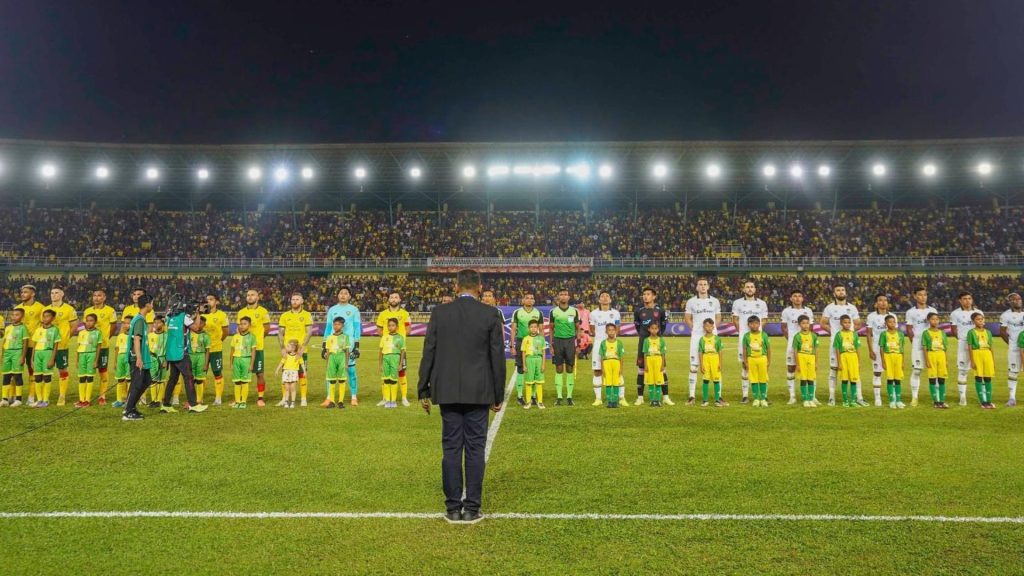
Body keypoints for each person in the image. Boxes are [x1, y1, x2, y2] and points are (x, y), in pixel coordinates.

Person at [418, 269, 505, 525]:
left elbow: (429, 352)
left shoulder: (439, 313)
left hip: (447, 391)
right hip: (479, 391)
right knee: (475, 449)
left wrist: (424, 388)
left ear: (456, 287)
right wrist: (497, 394)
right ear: (479, 287)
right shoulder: (490, 314)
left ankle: (453, 508)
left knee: (452, 447)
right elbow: (497, 358)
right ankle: (472, 508)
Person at [161, 299, 207, 414]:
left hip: (171, 352)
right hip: (182, 352)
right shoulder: (183, 317)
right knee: (188, 377)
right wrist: (198, 314)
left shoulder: (169, 317)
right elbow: (196, 328)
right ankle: (194, 404)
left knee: (173, 379)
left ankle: (166, 405)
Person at [821, 285, 862, 406]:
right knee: (834, 368)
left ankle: (858, 397)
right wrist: (834, 333)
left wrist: (850, 335)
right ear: (834, 293)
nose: (841, 292)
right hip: (836, 344)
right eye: (838, 290)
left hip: (851, 345)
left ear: (846, 292)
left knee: (854, 370)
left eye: (842, 290)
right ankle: (831, 397)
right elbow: (823, 323)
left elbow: (858, 324)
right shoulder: (829, 307)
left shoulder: (852, 308)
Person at [685, 278, 722, 406]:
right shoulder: (691, 301)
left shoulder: (715, 301)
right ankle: (691, 396)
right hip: (696, 336)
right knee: (694, 366)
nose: (702, 286)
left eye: (705, 284)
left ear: (708, 286)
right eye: (700, 284)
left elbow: (718, 317)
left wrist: (711, 330)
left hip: (712, 337)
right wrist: (695, 329)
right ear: (696, 287)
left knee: (716, 366)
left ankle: (719, 396)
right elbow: (688, 318)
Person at [323, 287, 361, 407]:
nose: (343, 295)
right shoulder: (332, 310)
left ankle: (354, 397)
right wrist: (324, 345)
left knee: (351, 370)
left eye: (346, 293)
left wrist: (357, 345)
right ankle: (329, 398)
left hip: (348, 344)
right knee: (331, 371)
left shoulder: (354, 310)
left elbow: (357, 328)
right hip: (333, 344)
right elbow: (328, 328)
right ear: (337, 295)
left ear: (349, 296)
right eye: (341, 293)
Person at [731, 280, 768, 404]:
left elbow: (764, 319)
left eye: (752, 287)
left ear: (755, 289)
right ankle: (745, 395)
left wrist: (757, 329)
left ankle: (763, 395)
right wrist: (743, 332)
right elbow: (735, 319)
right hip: (744, 339)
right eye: (747, 287)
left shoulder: (762, 304)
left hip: (759, 338)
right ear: (744, 289)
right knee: (745, 365)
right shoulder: (737, 303)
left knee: (762, 365)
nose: (750, 289)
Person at [375, 292, 412, 407]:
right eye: (391, 297)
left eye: (396, 297)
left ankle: (404, 398)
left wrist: (397, 340)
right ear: (388, 300)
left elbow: (408, 330)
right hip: (386, 348)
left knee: (401, 371)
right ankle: (386, 398)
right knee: (385, 373)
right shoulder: (382, 314)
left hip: (399, 348)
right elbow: (379, 330)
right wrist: (388, 340)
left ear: (400, 299)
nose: (393, 299)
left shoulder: (405, 314)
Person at [634, 287, 670, 405]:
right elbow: (638, 327)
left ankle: (665, 397)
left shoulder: (660, 311)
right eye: (644, 294)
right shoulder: (639, 311)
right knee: (641, 370)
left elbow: (663, 326)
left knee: (662, 369)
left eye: (648, 294)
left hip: (657, 343)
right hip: (643, 342)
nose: (645, 296)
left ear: (654, 296)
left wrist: (657, 336)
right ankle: (640, 397)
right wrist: (644, 336)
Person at [122, 294, 155, 421]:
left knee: (147, 381)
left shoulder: (140, 319)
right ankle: (128, 411)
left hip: (141, 357)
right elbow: (137, 339)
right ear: (147, 304)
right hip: (137, 358)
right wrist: (139, 358)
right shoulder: (140, 320)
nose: (152, 306)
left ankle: (132, 407)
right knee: (136, 383)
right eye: (151, 303)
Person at [236, 289, 271, 407]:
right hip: (243, 349)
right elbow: (239, 329)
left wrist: (258, 339)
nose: (250, 297)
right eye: (248, 295)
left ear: (258, 297)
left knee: (259, 374)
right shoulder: (241, 312)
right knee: (240, 373)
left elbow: (267, 328)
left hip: (258, 347)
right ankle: (239, 398)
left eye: (252, 295)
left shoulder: (263, 311)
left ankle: (260, 397)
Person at [278, 292, 314, 407]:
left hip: (301, 351)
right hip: (288, 351)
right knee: (285, 374)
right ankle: (284, 398)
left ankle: (303, 398)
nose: (295, 301)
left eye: (297, 299)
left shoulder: (307, 315)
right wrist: (283, 348)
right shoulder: (284, 316)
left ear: (302, 301)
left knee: (302, 374)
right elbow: (280, 333)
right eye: (293, 299)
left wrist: (302, 348)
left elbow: (309, 332)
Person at [44, 285, 78, 407]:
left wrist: (66, 337)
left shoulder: (69, 309)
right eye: (52, 293)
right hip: (47, 345)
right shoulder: (45, 309)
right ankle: (44, 397)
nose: (54, 295)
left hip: (62, 345)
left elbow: (74, 325)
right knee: (46, 370)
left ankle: (62, 395)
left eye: (57, 292)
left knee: (62, 369)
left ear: (62, 294)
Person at [904, 287, 938, 407]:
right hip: (918, 343)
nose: (923, 297)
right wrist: (915, 342)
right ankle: (914, 397)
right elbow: (909, 329)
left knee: (935, 371)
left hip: (933, 344)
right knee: (917, 370)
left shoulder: (933, 310)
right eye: (920, 295)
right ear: (915, 296)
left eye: (925, 295)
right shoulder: (910, 312)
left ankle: (937, 398)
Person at [83, 289, 117, 406]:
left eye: (99, 295)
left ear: (104, 298)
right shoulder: (87, 311)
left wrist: (106, 338)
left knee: (103, 370)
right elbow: (86, 327)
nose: (96, 297)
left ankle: (102, 395)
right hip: (89, 347)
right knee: (87, 372)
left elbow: (113, 326)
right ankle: (85, 396)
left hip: (103, 346)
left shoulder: (110, 310)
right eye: (94, 295)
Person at [590, 290, 623, 406]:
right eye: (602, 296)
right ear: (599, 300)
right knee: (597, 370)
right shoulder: (593, 313)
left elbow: (618, 328)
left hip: (612, 344)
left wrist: (612, 340)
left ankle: (621, 398)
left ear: (610, 300)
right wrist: (601, 338)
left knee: (617, 370)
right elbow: (592, 329)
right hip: (599, 344)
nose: (604, 298)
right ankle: (598, 398)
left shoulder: (616, 313)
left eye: (607, 296)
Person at [780, 289, 813, 405]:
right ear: (791, 298)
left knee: (809, 369)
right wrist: (790, 340)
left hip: (807, 344)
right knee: (791, 368)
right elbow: (783, 327)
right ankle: (792, 396)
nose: (797, 298)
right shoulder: (786, 311)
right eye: (795, 296)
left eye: (799, 296)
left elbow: (811, 328)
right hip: (792, 345)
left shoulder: (808, 311)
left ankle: (811, 396)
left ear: (802, 298)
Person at [548, 289, 581, 406]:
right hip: (558, 341)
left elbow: (578, 328)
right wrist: (551, 345)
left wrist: (579, 343)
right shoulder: (553, 312)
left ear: (569, 297)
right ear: (558, 297)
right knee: (558, 368)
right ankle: (559, 396)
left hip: (570, 341)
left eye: (565, 294)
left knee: (570, 368)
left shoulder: (574, 311)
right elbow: (551, 329)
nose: (563, 296)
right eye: (561, 294)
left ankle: (569, 396)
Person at [949, 292, 982, 406]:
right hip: (963, 344)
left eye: (969, 298)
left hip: (978, 346)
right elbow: (953, 330)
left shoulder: (978, 313)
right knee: (963, 370)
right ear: (960, 300)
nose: (967, 301)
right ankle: (962, 397)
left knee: (980, 371)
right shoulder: (955, 314)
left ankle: (982, 397)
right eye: (964, 299)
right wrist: (962, 339)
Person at [510, 293, 543, 406]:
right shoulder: (517, 312)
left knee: (534, 368)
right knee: (520, 368)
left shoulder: (538, 313)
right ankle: (520, 395)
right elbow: (513, 330)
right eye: (527, 298)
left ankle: (533, 396)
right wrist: (512, 345)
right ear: (523, 300)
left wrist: (541, 343)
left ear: (534, 301)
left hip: (535, 343)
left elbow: (542, 330)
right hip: (521, 342)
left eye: (532, 298)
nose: (529, 300)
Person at [14, 284, 45, 405]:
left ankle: (32, 396)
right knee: (15, 370)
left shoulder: (40, 308)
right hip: (19, 345)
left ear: (33, 294)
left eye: (25, 292)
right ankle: (14, 396)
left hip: (34, 344)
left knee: (32, 370)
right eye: (22, 292)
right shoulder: (17, 307)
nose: (22, 294)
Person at [865, 294, 894, 407]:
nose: (883, 302)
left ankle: (893, 397)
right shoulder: (871, 316)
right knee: (877, 372)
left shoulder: (893, 316)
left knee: (892, 373)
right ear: (876, 304)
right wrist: (871, 350)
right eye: (880, 300)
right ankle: (878, 398)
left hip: (891, 348)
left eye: (885, 300)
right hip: (877, 348)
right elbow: (868, 334)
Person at [202, 293, 230, 406]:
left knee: (217, 372)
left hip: (216, 349)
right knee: (201, 373)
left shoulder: (222, 315)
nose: (208, 301)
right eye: (207, 299)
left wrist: (218, 341)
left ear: (216, 302)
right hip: (202, 349)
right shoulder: (200, 314)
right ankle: (200, 397)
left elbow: (226, 332)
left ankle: (218, 398)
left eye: (211, 299)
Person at [30, 309, 60, 408]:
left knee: (47, 377)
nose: (45, 318)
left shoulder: (55, 330)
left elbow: (56, 346)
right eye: (44, 316)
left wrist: (52, 359)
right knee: (37, 377)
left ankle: (46, 400)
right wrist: (32, 359)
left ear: (53, 318)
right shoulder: (38, 330)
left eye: (48, 316)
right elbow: (34, 345)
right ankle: (39, 400)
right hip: (37, 354)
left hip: (48, 353)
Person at [0, 308, 29, 407]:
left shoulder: (23, 328)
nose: (14, 317)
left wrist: (22, 357)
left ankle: (18, 399)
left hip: (17, 352)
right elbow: (4, 342)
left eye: (17, 315)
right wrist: (2, 355)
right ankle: (4, 399)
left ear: (22, 317)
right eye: (13, 315)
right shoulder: (8, 328)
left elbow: (25, 343)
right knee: (6, 375)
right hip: (7, 353)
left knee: (17, 375)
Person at [998, 292, 1023, 407]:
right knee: (1013, 372)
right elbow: (1002, 332)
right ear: (1010, 302)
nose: (1017, 301)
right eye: (1014, 299)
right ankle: (1012, 398)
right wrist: (1012, 343)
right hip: (1014, 348)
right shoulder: (1005, 315)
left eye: (1018, 299)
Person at [967, 312, 996, 410]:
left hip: (987, 354)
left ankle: (989, 400)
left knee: (988, 378)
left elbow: (991, 347)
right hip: (977, 354)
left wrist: (993, 360)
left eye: (982, 319)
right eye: (978, 319)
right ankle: (982, 402)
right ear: (973, 321)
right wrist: (972, 361)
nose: (980, 321)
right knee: (979, 377)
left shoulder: (988, 332)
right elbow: (970, 347)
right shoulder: (971, 332)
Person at [832, 315, 862, 408]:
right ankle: (845, 401)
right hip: (843, 356)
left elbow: (857, 348)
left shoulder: (854, 334)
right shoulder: (838, 334)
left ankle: (853, 401)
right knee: (844, 379)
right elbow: (837, 349)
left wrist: (859, 362)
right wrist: (839, 362)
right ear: (841, 323)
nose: (847, 324)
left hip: (853, 357)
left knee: (853, 379)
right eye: (845, 322)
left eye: (849, 322)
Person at [878, 314, 907, 409]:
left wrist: (903, 361)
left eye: (894, 321)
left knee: (898, 379)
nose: (892, 323)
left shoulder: (900, 334)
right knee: (890, 379)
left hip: (898, 357)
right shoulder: (883, 334)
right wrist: (883, 361)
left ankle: (898, 400)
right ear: (885, 323)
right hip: (888, 356)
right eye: (890, 322)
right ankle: (892, 401)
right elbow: (881, 348)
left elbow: (902, 349)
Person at [922, 312, 950, 409]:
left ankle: (941, 401)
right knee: (932, 378)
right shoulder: (926, 333)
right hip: (931, 355)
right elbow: (925, 347)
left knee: (942, 379)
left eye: (937, 319)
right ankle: (935, 401)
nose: (935, 321)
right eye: (933, 319)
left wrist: (946, 360)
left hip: (941, 355)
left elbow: (945, 347)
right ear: (929, 321)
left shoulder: (942, 333)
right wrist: (927, 360)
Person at [741, 316, 770, 407]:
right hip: (751, 359)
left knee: (763, 379)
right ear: (748, 325)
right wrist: (745, 361)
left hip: (762, 358)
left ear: (759, 324)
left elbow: (768, 349)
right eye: (752, 323)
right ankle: (756, 399)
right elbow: (745, 349)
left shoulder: (764, 335)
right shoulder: (746, 336)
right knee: (753, 379)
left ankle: (763, 398)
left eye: (756, 323)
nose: (754, 325)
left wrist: (769, 361)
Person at [792, 315, 819, 407]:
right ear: (800, 324)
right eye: (803, 323)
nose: (806, 325)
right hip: (801, 357)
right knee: (803, 378)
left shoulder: (814, 336)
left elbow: (816, 350)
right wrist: (797, 364)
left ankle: (811, 399)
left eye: (807, 323)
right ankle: (805, 400)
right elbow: (795, 351)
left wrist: (816, 362)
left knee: (810, 378)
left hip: (811, 357)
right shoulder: (797, 336)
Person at [323, 317, 351, 408]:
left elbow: (347, 351)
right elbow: (327, 352)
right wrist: (327, 364)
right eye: (335, 324)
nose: (336, 326)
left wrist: (346, 363)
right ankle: (332, 401)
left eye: (338, 324)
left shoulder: (345, 337)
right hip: (332, 358)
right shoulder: (329, 337)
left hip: (341, 357)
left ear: (342, 325)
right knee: (332, 380)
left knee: (342, 379)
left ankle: (341, 401)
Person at [696, 318, 725, 407]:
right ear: (704, 327)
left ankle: (717, 400)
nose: (708, 328)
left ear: (713, 327)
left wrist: (720, 363)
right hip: (706, 359)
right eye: (706, 326)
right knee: (706, 380)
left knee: (716, 380)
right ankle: (705, 400)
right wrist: (701, 365)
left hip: (715, 359)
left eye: (710, 326)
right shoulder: (702, 339)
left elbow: (720, 351)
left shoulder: (717, 339)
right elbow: (700, 352)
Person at [74, 314, 101, 407]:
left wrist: (96, 361)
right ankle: (81, 399)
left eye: (91, 321)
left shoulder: (98, 332)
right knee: (82, 377)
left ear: (95, 322)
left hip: (92, 355)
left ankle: (87, 400)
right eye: (87, 320)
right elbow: (78, 346)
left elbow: (98, 347)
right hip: (82, 355)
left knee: (89, 377)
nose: (89, 323)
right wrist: (77, 360)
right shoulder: (81, 333)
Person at [379, 318, 406, 409]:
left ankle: (393, 400)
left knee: (393, 380)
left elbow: (402, 351)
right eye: (389, 325)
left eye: (393, 325)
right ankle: (387, 400)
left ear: (397, 327)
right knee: (386, 380)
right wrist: (380, 364)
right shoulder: (384, 337)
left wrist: (401, 364)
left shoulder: (400, 338)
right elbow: (380, 351)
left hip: (395, 359)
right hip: (386, 359)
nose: (390, 327)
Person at [230, 317, 257, 409]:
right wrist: (231, 363)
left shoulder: (252, 337)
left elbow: (253, 352)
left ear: (249, 325)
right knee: (237, 382)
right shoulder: (235, 337)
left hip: (246, 360)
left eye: (244, 323)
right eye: (241, 324)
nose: (242, 326)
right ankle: (237, 401)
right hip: (237, 360)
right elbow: (232, 351)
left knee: (245, 382)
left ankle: (243, 402)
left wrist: (251, 364)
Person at [521, 319, 547, 409]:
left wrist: (543, 364)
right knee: (529, 382)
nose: (533, 329)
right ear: (528, 328)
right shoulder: (525, 339)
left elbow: (543, 352)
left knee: (539, 382)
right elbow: (523, 353)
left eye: (535, 327)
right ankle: (528, 402)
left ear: (538, 328)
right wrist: (524, 365)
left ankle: (540, 402)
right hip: (529, 360)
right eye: (531, 327)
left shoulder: (541, 339)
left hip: (539, 360)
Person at [599, 323, 624, 408]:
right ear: (606, 331)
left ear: (616, 331)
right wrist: (602, 368)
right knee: (608, 383)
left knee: (616, 382)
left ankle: (615, 401)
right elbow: (602, 357)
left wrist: (621, 368)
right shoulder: (603, 343)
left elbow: (621, 357)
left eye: (613, 330)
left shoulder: (619, 343)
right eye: (609, 330)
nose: (611, 332)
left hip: (616, 363)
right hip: (607, 363)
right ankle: (610, 401)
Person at [643, 323, 667, 407]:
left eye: (656, 328)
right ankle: (652, 400)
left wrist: (662, 364)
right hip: (649, 360)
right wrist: (645, 365)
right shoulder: (646, 340)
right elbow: (645, 353)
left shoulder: (661, 340)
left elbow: (663, 354)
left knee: (658, 381)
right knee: (650, 381)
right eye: (652, 328)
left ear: (658, 329)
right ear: (649, 329)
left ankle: (657, 400)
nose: (654, 330)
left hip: (658, 360)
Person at [275, 339, 303, 409]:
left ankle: (293, 402)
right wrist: (277, 370)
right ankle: (286, 402)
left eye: (288, 346)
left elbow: (302, 364)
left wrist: (304, 371)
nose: (286, 348)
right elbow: (281, 363)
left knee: (293, 389)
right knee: (287, 388)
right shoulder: (286, 356)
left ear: (293, 348)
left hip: (294, 373)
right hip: (286, 373)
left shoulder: (298, 356)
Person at [189, 316, 211, 405]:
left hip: (200, 357)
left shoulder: (205, 336)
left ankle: (199, 399)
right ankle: (191, 399)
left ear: (204, 325)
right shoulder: (189, 333)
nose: (198, 324)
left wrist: (206, 364)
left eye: (201, 323)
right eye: (197, 322)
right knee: (190, 380)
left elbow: (207, 351)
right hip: (190, 357)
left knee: (199, 380)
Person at [147, 317, 168, 408]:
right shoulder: (150, 335)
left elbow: (168, 350)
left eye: (158, 323)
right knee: (152, 380)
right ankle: (153, 400)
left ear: (163, 324)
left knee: (160, 380)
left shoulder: (167, 336)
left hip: (162, 359)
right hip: (151, 359)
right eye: (154, 323)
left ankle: (159, 400)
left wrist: (166, 361)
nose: (156, 325)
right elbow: (146, 349)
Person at [112, 319, 131, 408]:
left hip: (130, 358)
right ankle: (119, 400)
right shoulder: (120, 336)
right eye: (124, 323)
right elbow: (116, 349)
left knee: (129, 380)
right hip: (120, 358)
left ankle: (129, 400)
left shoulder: (134, 336)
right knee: (120, 379)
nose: (125, 325)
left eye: (128, 323)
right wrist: (115, 361)